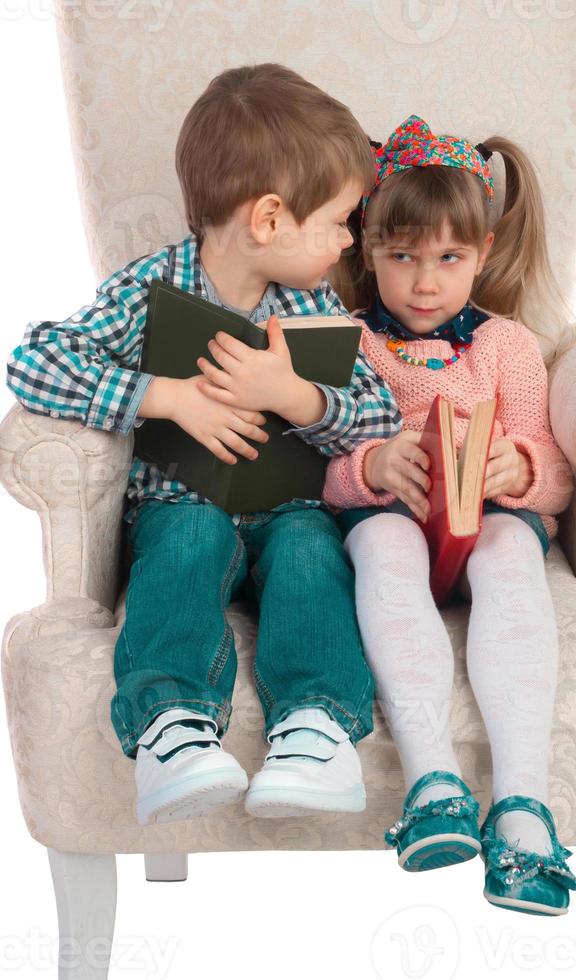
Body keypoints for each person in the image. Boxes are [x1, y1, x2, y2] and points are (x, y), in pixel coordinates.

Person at [5, 64, 403, 827]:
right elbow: (35, 360)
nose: (349, 240)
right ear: (269, 220)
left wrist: (294, 395)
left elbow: (380, 417)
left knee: (312, 554)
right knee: (187, 540)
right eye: (338, 220)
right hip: (182, 506)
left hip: (291, 508)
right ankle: (171, 729)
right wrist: (166, 396)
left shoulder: (311, 304)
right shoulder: (151, 290)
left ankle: (316, 731)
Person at [321, 115, 576, 915]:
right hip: (396, 527)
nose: (424, 283)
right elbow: (313, 464)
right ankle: (433, 784)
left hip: (487, 529)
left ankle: (523, 810)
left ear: (485, 251)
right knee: (383, 543)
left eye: (448, 259)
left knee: (511, 550)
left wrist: (522, 465)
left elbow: (555, 473)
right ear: (367, 248)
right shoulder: (350, 342)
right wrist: (368, 465)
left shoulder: (508, 345)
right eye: (401, 257)